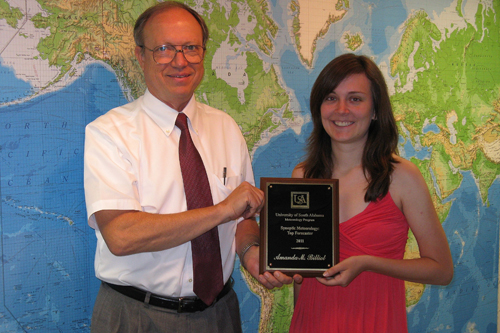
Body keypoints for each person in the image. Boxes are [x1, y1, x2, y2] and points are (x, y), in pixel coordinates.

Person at [83, 2, 293, 332]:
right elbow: (121, 236)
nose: (180, 61)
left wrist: (250, 251)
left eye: (191, 48)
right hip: (137, 315)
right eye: (164, 48)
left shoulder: (227, 128)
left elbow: (243, 218)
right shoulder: (109, 133)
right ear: (141, 56)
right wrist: (222, 210)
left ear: (203, 54)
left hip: (218, 314)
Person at [289, 53, 453, 332]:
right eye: (330, 97)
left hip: (376, 321)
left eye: (355, 98)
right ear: (319, 108)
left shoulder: (402, 177)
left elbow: (442, 270)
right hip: (312, 320)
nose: (341, 109)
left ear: (375, 110)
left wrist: (368, 263)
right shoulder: (303, 177)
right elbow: (299, 276)